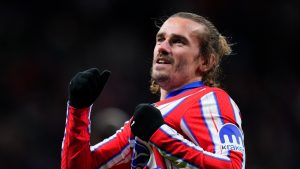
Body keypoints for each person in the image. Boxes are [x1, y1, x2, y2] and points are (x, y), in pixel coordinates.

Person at [61, 12, 246, 169]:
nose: (163, 48)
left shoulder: (210, 99)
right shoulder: (143, 121)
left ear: (206, 61)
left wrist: (160, 134)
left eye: (178, 42)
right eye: (160, 39)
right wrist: (78, 111)